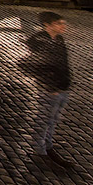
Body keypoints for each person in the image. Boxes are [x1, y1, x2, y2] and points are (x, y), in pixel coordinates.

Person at [22, 11, 73, 168]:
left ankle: (48, 146)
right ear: (47, 25)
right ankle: (40, 150)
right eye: (59, 23)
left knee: (53, 119)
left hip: (62, 86)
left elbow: (62, 62)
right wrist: (49, 85)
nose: (63, 26)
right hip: (50, 88)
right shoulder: (40, 42)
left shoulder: (58, 39)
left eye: (63, 23)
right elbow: (34, 65)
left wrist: (65, 82)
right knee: (44, 119)